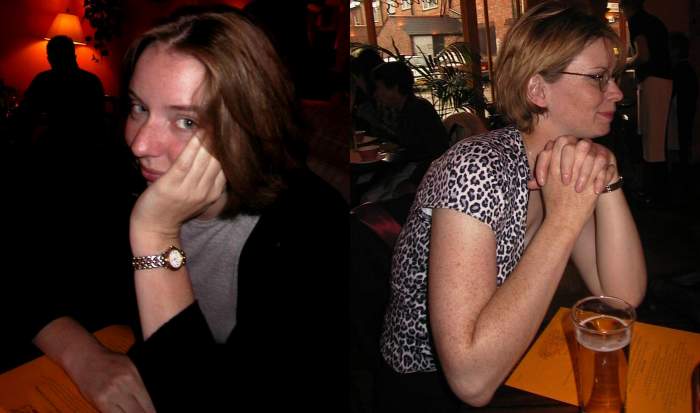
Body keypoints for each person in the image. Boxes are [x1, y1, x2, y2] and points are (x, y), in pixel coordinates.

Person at [376, 2, 647, 411]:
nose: (617, 92)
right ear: (537, 90)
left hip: (511, 359)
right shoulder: (476, 166)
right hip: (426, 387)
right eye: (598, 78)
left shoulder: (565, 162)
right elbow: (470, 381)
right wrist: (564, 221)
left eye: (612, 76)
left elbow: (621, 295)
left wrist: (608, 178)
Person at [121, 9, 346, 412]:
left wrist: (154, 236)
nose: (140, 145)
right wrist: (83, 355)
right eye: (139, 107)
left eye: (186, 121)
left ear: (250, 124)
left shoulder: (313, 226)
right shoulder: (124, 181)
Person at [620, 0, 673, 202]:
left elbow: (643, 55)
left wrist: (623, 63)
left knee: (653, 140)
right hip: (659, 80)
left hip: (654, 80)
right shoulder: (652, 21)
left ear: (626, 7)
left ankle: (656, 193)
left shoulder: (638, 21)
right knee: (653, 138)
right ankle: (656, 190)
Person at [14, 35, 105, 146]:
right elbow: (99, 122)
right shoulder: (92, 81)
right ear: (74, 56)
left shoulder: (44, 80)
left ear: (50, 59)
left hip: (54, 141)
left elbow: (25, 113)